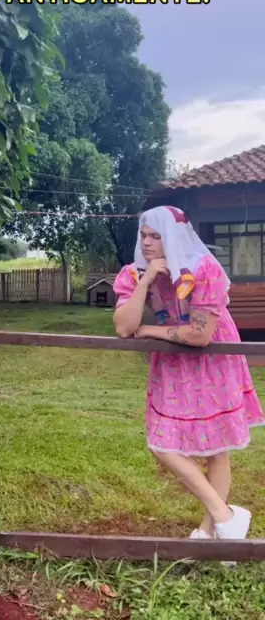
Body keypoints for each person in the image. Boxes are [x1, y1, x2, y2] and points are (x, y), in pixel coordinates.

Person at [113, 205, 264, 549]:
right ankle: (227, 516)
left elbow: (200, 334)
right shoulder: (134, 274)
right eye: (144, 235)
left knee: (216, 448)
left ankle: (211, 531)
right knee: (162, 444)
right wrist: (147, 280)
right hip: (172, 365)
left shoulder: (204, 269)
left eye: (156, 236)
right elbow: (123, 327)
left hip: (213, 362)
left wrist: (151, 329)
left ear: (174, 237)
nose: (147, 243)